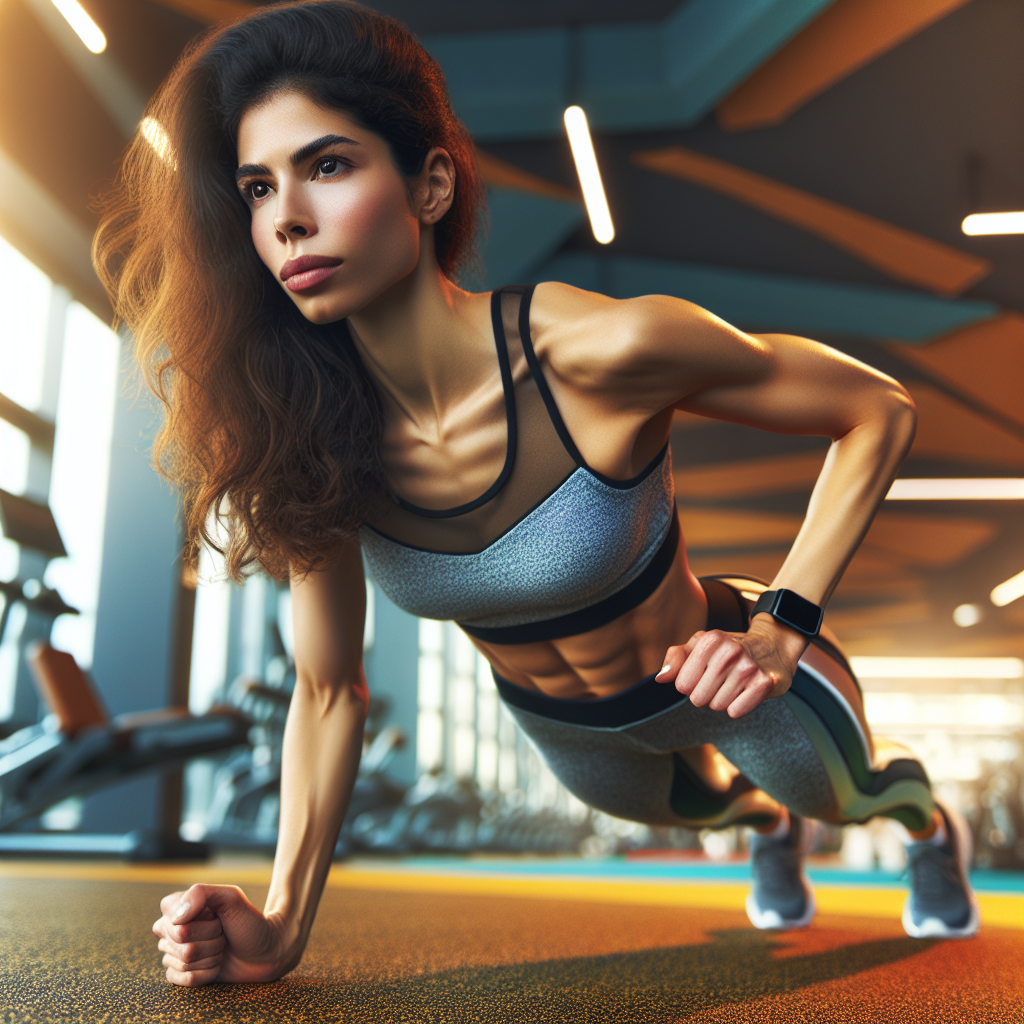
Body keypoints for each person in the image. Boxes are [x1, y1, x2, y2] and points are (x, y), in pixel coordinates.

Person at [94, 0, 979, 988]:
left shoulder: (597, 351)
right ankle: (760, 822)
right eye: (258, 187)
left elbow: (876, 409)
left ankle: (930, 827)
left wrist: (782, 622)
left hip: (724, 683)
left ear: (429, 184)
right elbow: (325, 687)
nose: (285, 215)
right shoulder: (312, 439)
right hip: (567, 729)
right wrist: (283, 921)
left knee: (845, 796)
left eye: (328, 165)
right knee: (715, 809)